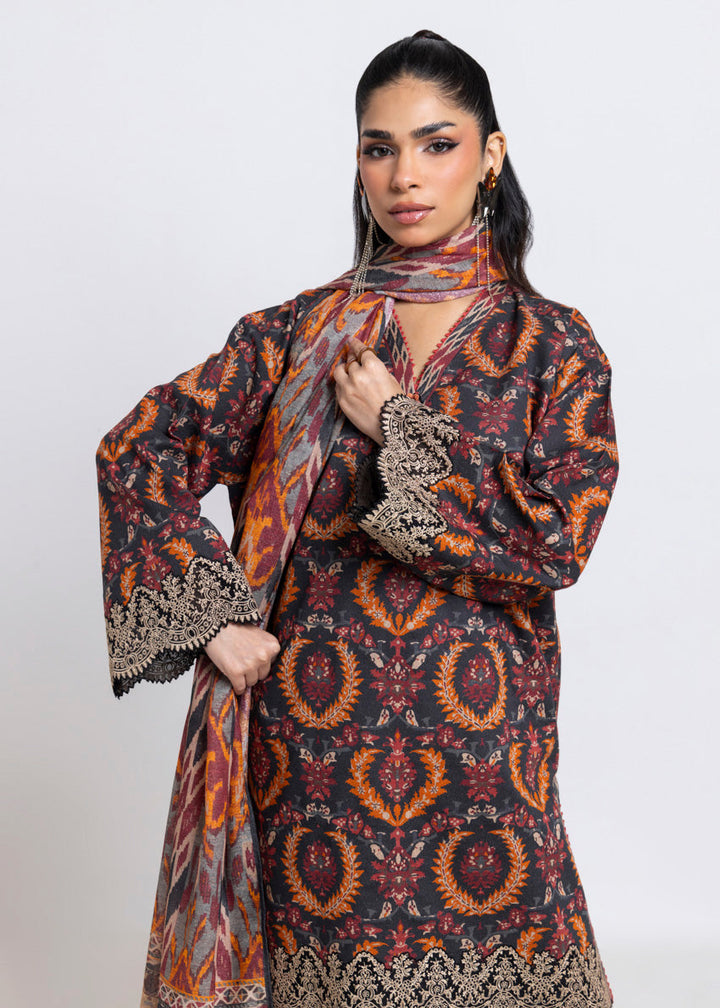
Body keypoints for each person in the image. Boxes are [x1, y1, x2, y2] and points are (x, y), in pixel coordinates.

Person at [97, 30, 618, 1008]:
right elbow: (139, 455)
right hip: (318, 756)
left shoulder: (550, 344)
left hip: (487, 751)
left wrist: (400, 428)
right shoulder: (296, 335)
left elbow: (557, 539)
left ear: (490, 156)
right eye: (380, 148)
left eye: (436, 143)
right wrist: (213, 619)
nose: (404, 175)